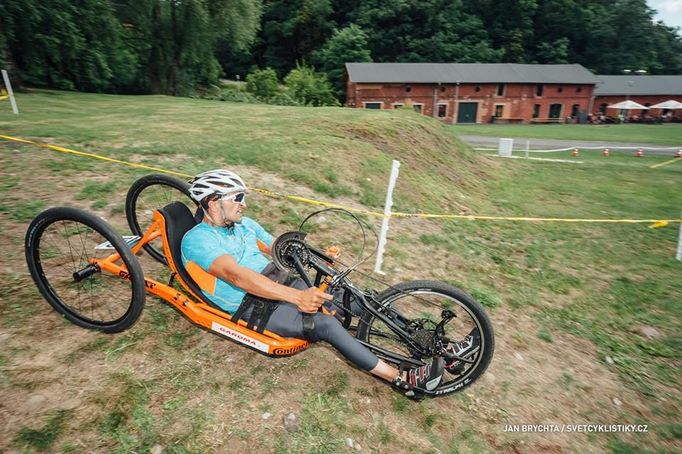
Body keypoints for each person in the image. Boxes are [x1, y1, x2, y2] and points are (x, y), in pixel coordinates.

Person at [181, 169, 476, 398]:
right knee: (325, 325)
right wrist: (297, 298)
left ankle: (445, 351)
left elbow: (276, 248)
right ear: (212, 201)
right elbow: (238, 277)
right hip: (253, 304)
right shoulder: (198, 240)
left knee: (356, 297)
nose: (244, 204)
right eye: (238, 197)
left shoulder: (244, 226)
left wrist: (317, 255)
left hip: (281, 282)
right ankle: (404, 380)